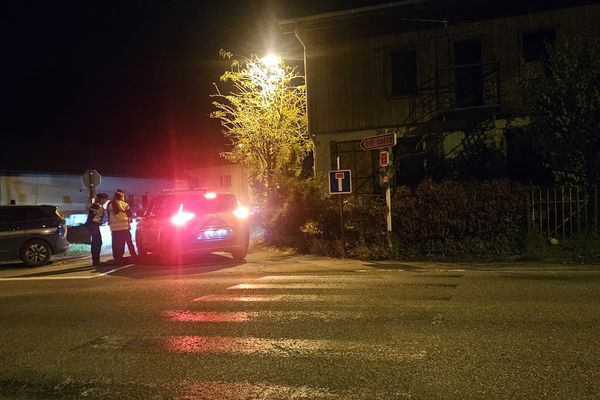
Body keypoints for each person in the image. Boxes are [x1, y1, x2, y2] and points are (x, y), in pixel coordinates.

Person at [107, 190, 135, 265]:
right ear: (122, 197)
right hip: (124, 227)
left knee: (116, 244)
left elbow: (108, 216)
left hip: (114, 228)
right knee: (129, 242)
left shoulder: (109, 205)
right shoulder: (124, 204)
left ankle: (117, 258)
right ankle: (134, 256)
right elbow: (130, 215)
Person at [85, 193, 109, 266]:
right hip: (93, 226)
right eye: (105, 199)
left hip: (94, 226)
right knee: (97, 243)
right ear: (101, 198)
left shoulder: (97, 205)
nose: (105, 201)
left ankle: (96, 260)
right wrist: (101, 221)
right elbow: (94, 217)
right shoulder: (96, 205)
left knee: (97, 243)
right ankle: (96, 261)